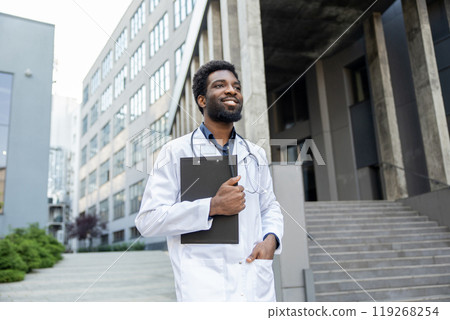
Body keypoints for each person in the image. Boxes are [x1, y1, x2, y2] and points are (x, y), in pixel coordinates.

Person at [135, 60, 283, 302]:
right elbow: (148, 221)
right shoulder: (175, 152)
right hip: (203, 288)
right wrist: (212, 207)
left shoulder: (256, 154)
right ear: (202, 100)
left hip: (255, 283)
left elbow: (270, 207)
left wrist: (271, 240)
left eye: (236, 86)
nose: (231, 90)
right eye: (220, 85)